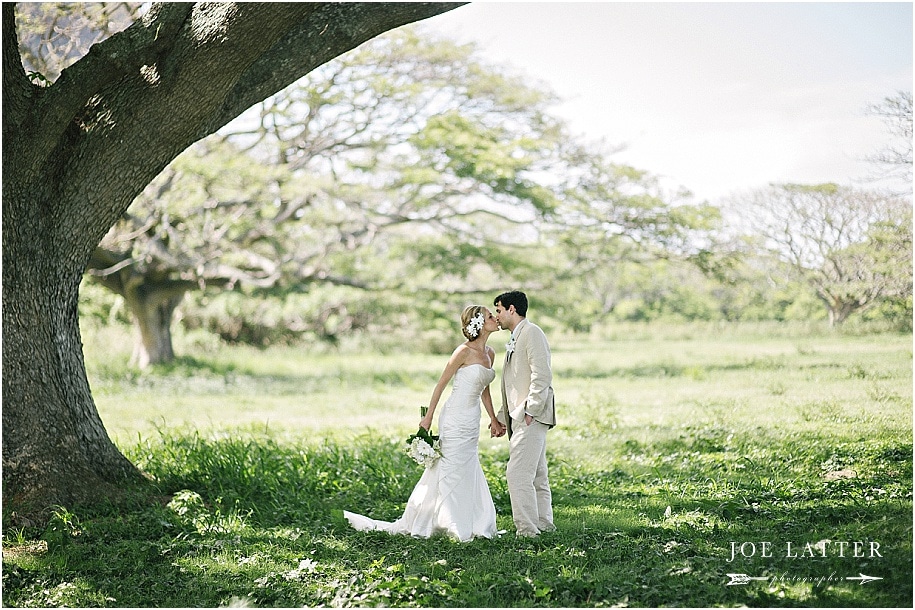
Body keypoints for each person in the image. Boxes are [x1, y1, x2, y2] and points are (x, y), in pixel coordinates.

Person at [343, 305, 506, 542]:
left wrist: (493, 418)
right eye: (491, 316)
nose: (496, 318)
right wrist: (428, 417)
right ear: (479, 324)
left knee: (467, 466)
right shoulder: (463, 352)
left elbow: (485, 390)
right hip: (454, 417)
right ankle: (453, 525)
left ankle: (471, 520)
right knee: (450, 467)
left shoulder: (490, 353)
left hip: (472, 418)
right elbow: (441, 385)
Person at [493, 290, 556, 537]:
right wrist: (501, 416)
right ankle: (544, 524)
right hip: (519, 414)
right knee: (538, 475)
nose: (496, 316)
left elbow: (542, 375)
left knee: (517, 473)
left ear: (511, 309)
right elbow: (513, 383)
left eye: (498, 310)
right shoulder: (515, 337)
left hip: (531, 414)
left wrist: (531, 409)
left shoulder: (532, 333)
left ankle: (527, 531)